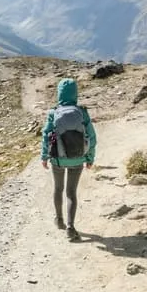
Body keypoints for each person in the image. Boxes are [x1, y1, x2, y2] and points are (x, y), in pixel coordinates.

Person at [40, 77, 96, 242]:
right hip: (78, 159)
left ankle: (59, 220)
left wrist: (44, 156)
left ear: (59, 94)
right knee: (71, 193)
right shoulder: (82, 112)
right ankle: (71, 228)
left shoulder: (53, 113)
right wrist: (90, 157)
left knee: (58, 189)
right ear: (75, 94)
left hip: (58, 159)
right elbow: (92, 137)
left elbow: (45, 136)